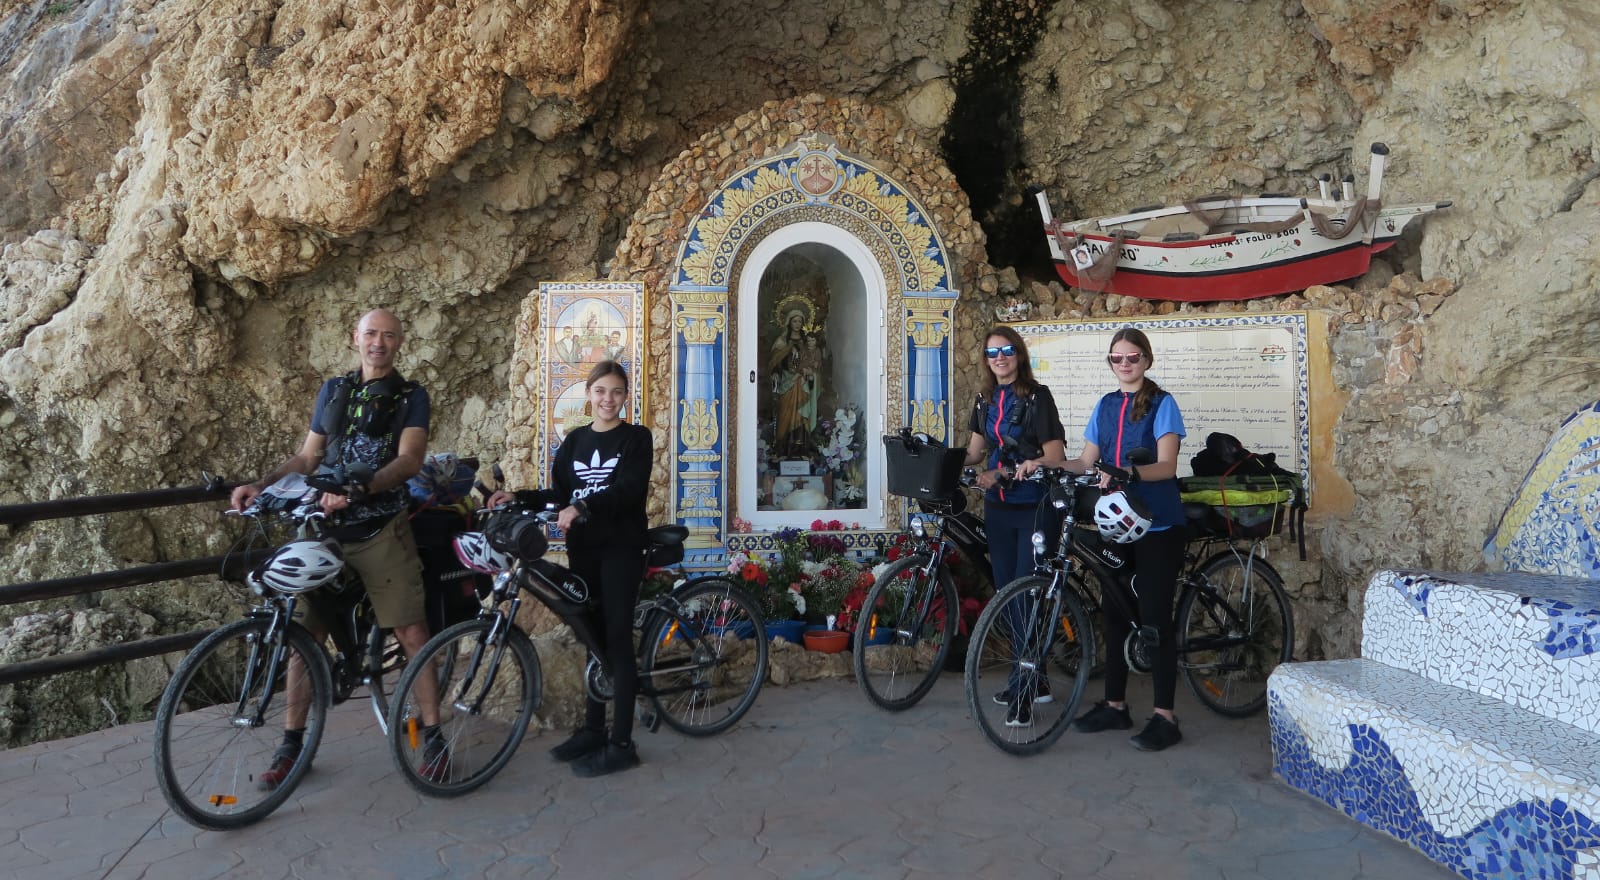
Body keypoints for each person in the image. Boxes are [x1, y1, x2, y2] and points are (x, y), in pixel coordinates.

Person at [229, 308, 445, 785]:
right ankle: (291, 745)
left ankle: (433, 736)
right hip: (323, 529)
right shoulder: (335, 390)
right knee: (302, 638)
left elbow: (409, 460)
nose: (379, 343)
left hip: (379, 528)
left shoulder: (412, 396)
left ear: (400, 343)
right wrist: (261, 486)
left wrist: (363, 488)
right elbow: (308, 457)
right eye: (371, 334)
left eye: (389, 335)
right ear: (355, 338)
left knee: (411, 632)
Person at [488, 360, 653, 777]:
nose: (608, 400)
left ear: (625, 396)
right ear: (589, 394)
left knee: (615, 637)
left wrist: (584, 506)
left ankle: (622, 742)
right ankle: (594, 729)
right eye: (600, 391)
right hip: (585, 550)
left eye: (616, 392)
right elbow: (557, 493)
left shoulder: (637, 438)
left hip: (621, 548)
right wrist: (518, 498)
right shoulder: (575, 440)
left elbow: (628, 490)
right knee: (590, 635)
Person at [1068, 327, 1189, 752]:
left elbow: (1168, 465)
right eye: (1116, 358)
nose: (1125, 364)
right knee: (1114, 612)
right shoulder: (1104, 405)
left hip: (1157, 522)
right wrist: (1041, 466)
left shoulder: (1162, 403)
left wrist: (1128, 472)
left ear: (1146, 360)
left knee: (1155, 616)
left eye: (1132, 357)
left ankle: (1165, 717)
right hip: (1116, 522)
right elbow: (1084, 459)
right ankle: (1115, 705)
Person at [962, 325, 1067, 728]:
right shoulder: (984, 399)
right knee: (1007, 594)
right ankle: (1034, 678)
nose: (1000, 357)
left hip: (1036, 506)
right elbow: (975, 452)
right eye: (992, 353)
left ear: (1019, 354)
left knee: (1024, 595)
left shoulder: (1038, 398)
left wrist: (1019, 468)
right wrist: (941, 459)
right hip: (999, 508)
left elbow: (1055, 454)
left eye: (1006, 350)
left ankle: (1022, 689)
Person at [769, 311, 817, 457]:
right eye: (794, 321)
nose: (797, 324)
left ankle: (801, 449)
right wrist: (775, 372)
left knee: (801, 414)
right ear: (789, 322)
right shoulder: (781, 341)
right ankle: (783, 449)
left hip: (801, 382)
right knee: (785, 413)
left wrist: (810, 372)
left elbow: (813, 359)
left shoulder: (806, 341)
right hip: (786, 381)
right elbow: (774, 362)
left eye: (799, 321)